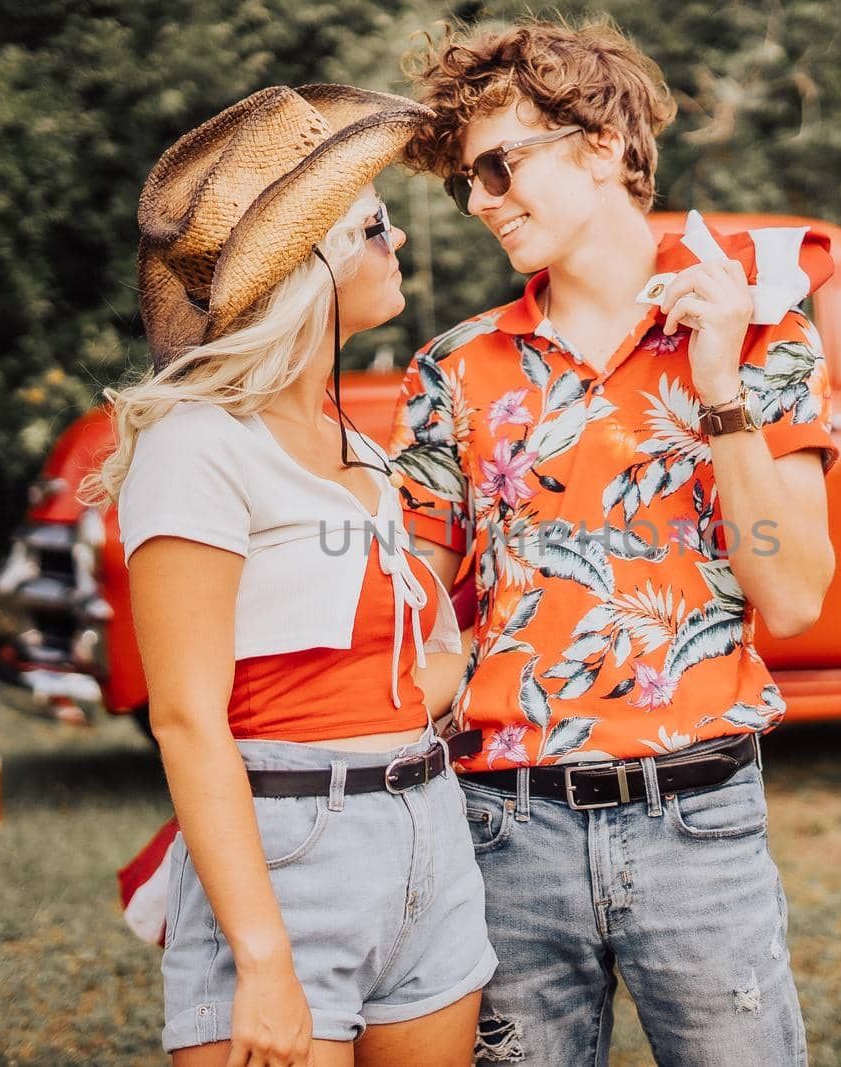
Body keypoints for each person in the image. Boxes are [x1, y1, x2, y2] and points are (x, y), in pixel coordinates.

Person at [388, 18, 838, 1066]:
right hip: (505, 829)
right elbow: (409, 614)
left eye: (499, 168)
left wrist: (719, 386)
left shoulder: (769, 336)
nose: (481, 203)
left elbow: (797, 595)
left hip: (699, 822)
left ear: (600, 144)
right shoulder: (453, 371)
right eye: (467, 184)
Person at [85, 85, 496, 1067]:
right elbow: (186, 717)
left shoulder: (361, 450)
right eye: (373, 225)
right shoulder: (197, 444)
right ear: (310, 263)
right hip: (288, 853)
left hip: (428, 836)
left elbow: (387, 681)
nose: (395, 241)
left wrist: (498, 643)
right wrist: (261, 957)